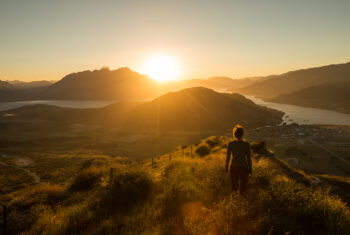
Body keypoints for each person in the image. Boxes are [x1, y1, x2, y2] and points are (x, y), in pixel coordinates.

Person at [225, 125, 252, 193]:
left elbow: (228, 157)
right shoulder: (247, 145)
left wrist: (226, 168)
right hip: (244, 167)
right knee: (243, 188)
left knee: (234, 188)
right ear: (242, 134)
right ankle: (242, 201)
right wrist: (250, 170)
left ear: (234, 134)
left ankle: (234, 201)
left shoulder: (230, 144)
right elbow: (249, 158)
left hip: (234, 167)